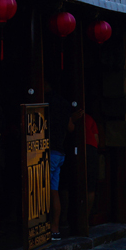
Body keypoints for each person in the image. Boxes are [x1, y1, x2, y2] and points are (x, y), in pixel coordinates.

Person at [45, 82, 83, 241]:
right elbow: (71, 128)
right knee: (54, 191)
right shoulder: (64, 105)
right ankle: (55, 228)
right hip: (60, 152)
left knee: (45, 191)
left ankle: (44, 228)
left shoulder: (47, 105)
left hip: (50, 151)